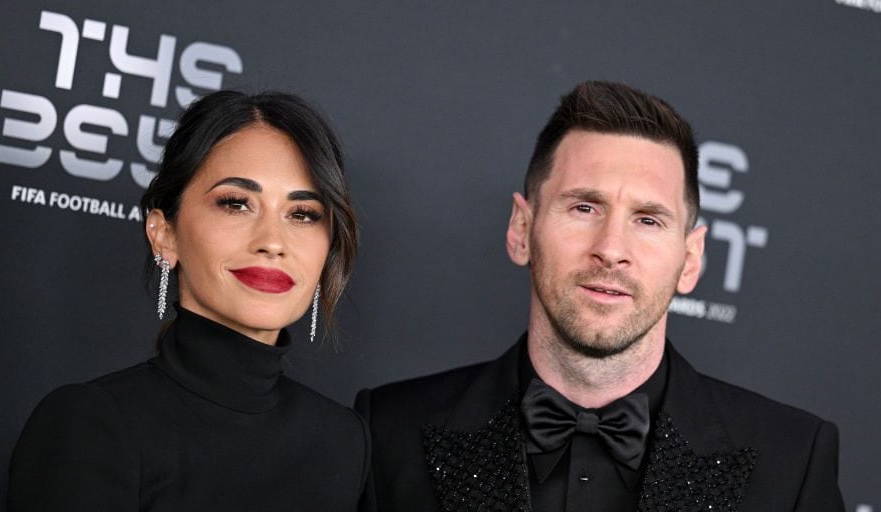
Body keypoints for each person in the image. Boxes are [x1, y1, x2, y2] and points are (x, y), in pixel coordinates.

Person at [355, 81, 845, 511]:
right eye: (585, 207)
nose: (611, 249)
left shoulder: (792, 460)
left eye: (648, 220)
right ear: (522, 230)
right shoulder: (388, 433)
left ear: (691, 259)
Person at [8, 90, 366, 511]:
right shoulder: (90, 424)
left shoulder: (345, 440)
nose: (273, 242)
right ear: (165, 233)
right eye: (237, 204)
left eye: (302, 213)